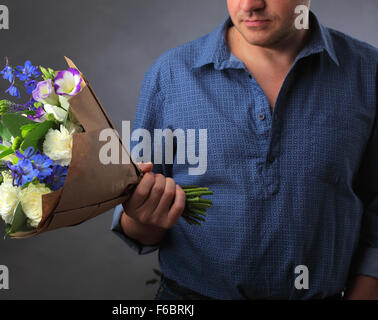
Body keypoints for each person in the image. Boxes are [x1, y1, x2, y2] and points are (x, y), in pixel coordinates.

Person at [111, 0, 378, 299]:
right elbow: (139, 226)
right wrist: (141, 215)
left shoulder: (368, 71)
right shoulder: (171, 75)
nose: (250, 5)